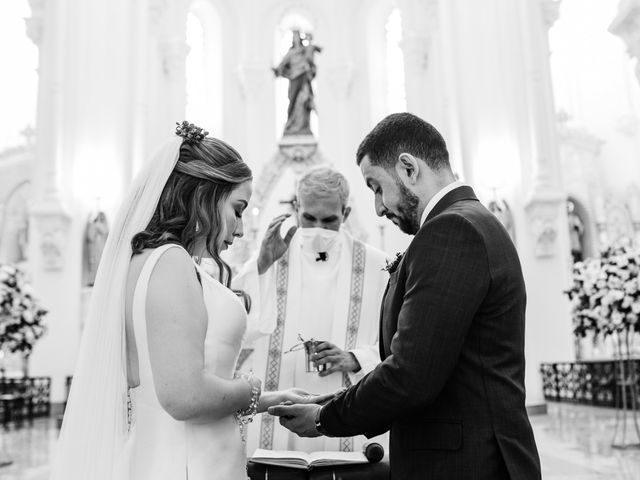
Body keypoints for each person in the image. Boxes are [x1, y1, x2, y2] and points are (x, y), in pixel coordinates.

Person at [49, 122, 331, 480]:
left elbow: (174, 385)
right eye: (238, 209)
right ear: (204, 195)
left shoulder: (150, 259)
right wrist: (252, 387)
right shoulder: (169, 263)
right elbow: (185, 398)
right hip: (187, 466)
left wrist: (267, 401)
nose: (241, 228)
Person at [269, 113, 542, 479]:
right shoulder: (468, 221)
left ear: (409, 168)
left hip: (466, 465)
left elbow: (412, 374)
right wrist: (332, 401)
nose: (379, 207)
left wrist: (323, 419)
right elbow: (432, 361)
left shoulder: (452, 229)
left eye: (377, 187)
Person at [234, 166, 389, 454]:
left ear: (346, 213)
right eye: (309, 218)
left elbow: (399, 345)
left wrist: (354, 358)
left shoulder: (378, 266)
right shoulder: (271, 256)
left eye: (329, 220)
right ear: (296, 208)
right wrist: (261, 266)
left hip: (346, 412)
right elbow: (231, 318)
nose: (318, 227)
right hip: (278, 405)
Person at [273, 30, 320, 136]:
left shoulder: (304, 51)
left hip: (304, 79)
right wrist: (277, 70)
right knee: (293, 102)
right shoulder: (290, 53)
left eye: (297, 36)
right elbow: (281, 65)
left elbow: (311, 56)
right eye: (294, 37)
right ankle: (291, 124)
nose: (296, 38)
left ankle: (302, 126)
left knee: (303, 102)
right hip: (294, 79)